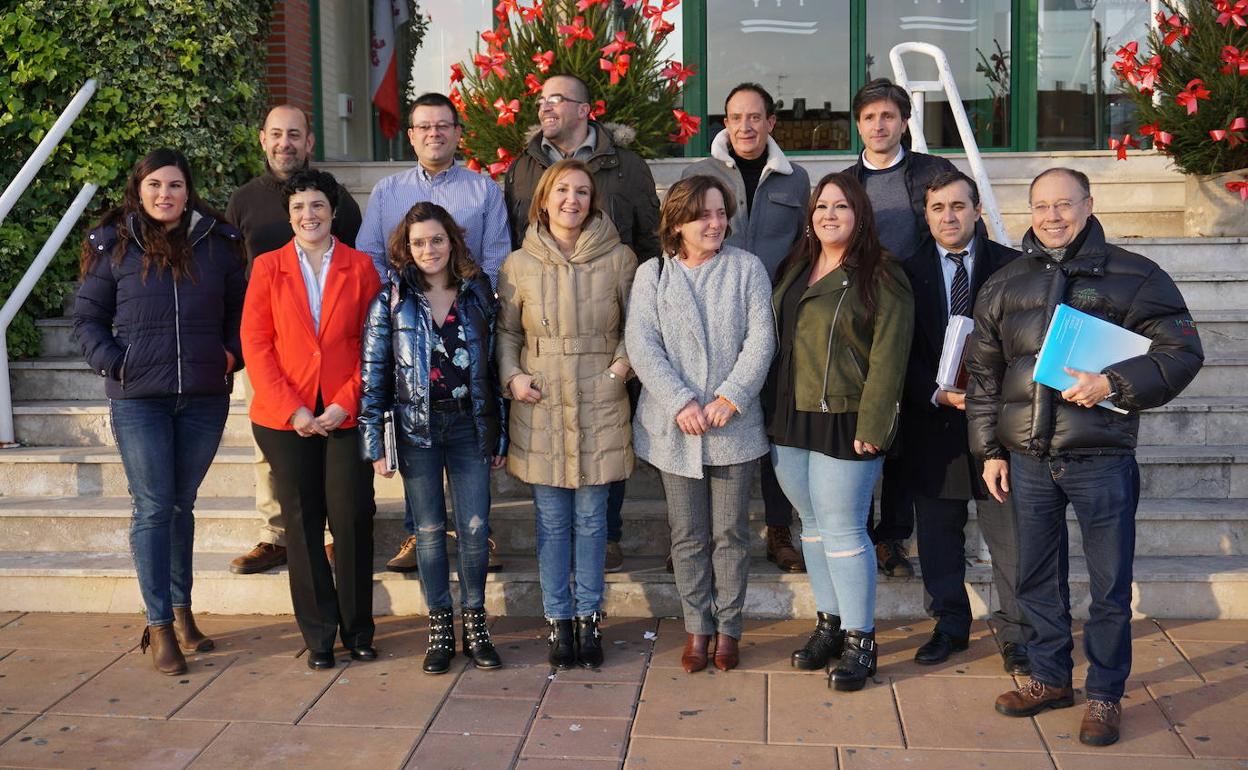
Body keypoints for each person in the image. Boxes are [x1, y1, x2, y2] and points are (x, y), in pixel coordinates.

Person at [966, 167, 1203, 747]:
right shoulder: (1004, 282)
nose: (1053, 216)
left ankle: (1104, 694)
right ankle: (1049, 679)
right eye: (1042, 206)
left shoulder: (1137, 275)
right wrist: (990, 449)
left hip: (1100, 459)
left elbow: (1183, 350)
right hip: (1026, 460)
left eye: (1065, 204)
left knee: (1108, 585)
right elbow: (983, 376)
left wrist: (1114, 384)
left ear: (1089, 204)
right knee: (1035, 577)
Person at [73, 148, 246, 675]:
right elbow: (87, 319)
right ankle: (158, 626)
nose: (164, 195)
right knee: (153, 508)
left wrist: (231, 354)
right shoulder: (114, 246)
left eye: (174, 185)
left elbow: (242, 311)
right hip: (139, 400)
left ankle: (182, 609)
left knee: (182, 505)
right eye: (155, 185)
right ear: (139, 189)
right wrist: (117, 366)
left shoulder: (217, 244)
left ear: (187, 191)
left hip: (202, 397)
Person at [504, 73, 661, 572]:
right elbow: (517, 255)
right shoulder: (524, 166)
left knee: (601, 472)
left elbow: (651, 240)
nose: (545, 107)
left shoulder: (626, 168)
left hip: (604, 339)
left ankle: (608, 541)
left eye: (556, 99)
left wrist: (620, 368)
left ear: (584, 109)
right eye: (541, 99)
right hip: (545, 353)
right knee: (553, 517)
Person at [766, 172, 913, 691]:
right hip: (790, 414)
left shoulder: (882, 274)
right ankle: (828, 625)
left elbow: (890, 357)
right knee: (810, 526)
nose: (829, 214)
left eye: (841, 206)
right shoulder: (795, 266)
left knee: (845, 530)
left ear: (860, 216)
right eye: (821, 206)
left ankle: (861, 641)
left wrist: (875, 424)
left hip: (846, 418)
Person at [355, 91, 510, 573]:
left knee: (468, 437)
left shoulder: (484, 190)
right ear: (411, 135)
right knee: (418, 433)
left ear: (458, 133)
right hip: (409, 327)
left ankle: (476, 537)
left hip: (464, 320)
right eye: (423, 126)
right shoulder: (386, 193)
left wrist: (477, 303)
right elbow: (372, 255)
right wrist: (401, 303)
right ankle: (415, 535)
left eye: (443, 125)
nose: (433, 134)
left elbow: (496, 256)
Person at [626, 175, 775, 673]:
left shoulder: (746, 268)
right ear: (677, 221)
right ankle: (697, 626)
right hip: (677, 430)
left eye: (719, 213)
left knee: (729, 533)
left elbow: (761, 339)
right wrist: (679, 401)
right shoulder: (654, 275)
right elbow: (642, 344)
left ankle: (729, 629)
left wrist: (731, 396)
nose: (714, 223)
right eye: (701, 215)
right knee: (687, 534)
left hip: (732, 427)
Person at [496, 159, 636, 669]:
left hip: (599, 398)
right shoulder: (518, 264)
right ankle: (558, 620)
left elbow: (636, 327)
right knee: (552, 521)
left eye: (581, 191)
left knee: (593, 519)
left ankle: (588, 618)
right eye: (561, 191)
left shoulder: (620, 258)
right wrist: (512, 376)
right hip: (543, 400)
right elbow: (508, 332)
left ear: (592, 199)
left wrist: (618, 372)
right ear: (544, 199)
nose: (571, 200)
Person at [241, 169, 381, 670]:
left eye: (317, 205)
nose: (309, 215)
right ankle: (319, 635)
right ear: (289, 215)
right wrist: (293, 408)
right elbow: (256, 344)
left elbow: (374, 343)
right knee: (301, 527)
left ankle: (358, 629)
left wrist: (347, 401)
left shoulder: (361, 267)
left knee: (352, 518)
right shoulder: (268, 268)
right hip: (286, 418)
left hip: (345, 412)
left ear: (334, 210)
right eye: (299, 207)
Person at [359, 202, 507, 675]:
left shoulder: (478, 291)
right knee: (426, 531)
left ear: (452, 241)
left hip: (469, 426)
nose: (429, 249)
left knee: (475, 528)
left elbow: (495, 364)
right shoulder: (391, 299)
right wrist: (373, 442)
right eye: (419, 242)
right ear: (407, 246)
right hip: (417, 430)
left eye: (437, 240)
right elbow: (373, 373)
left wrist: (499, 435)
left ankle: (476, 625)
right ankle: (440, 628)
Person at [899, 171, 1029, 673]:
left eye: (958, 206)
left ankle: (1017, 634)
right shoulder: (906, 272)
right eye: (938, 208)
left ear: (978, 211)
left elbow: (1028, 347)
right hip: (935, 426)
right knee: (936, 537)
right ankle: (949, 626)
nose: (949, 216)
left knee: (1010, 537)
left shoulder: (1014, 267)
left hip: (1001, 427)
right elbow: (896, 354)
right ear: (926, 215)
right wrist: (932, 392)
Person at [227, 104, 362, 576]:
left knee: (328, 452)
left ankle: (326, 535)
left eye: (295, 135)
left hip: (327, 348)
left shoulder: (335, 197)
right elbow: (232, 272)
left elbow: (346, 267)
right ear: (263, 139)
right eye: (276, 134)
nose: (285, 143)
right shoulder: (243, 200)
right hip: (268, 344)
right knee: (271, 447)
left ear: (309, 142)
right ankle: (275, 535)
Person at [681, 82, 809, 574]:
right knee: (711, 426)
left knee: (776, 427)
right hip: (712, 323)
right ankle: (694, 540)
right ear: (725, 123)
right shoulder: (700, 175)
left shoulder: (795, 180)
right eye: (736, 118)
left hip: (773, 322)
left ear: (771, 122)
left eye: (755, 117)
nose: (745, 127)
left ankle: (779, 529)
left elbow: (806, 247)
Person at [844, 78, 959, 578]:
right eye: (869, 117)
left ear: (904, 122)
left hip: (918, 312)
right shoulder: (846, 183)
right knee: (857, 426)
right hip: (860, 317)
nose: (879, 125)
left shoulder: (933, 172)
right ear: (859, 125)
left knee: (903, 430)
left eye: (888, 116)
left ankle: (893, 536)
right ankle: (854, 531)